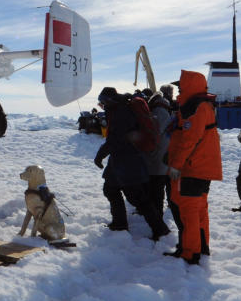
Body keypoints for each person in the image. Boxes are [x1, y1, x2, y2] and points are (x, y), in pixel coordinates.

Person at [94, 87, 169, 238]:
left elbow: (115, 140)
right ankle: (119, 224)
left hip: (128, 162)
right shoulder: (118, 108)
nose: (100, 105)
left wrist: (100, 155)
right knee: (110, 190)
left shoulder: (121, 112)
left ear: (108, 100)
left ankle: (160, 230)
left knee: (139, 199)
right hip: (120, 161)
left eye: (101, 102)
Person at [165, 70, 221, 263]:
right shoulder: (201, 106)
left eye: (181, 86)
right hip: (200, 168)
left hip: (191, 169)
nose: (179, 89)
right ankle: (201, 247)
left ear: (190, 86)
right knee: (198, 210)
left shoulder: (196, 108)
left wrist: (176, 165)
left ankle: (190, 252)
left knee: (188, 211)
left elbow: (190, 140)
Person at [145, 89, 174, 224]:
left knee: (157, 190)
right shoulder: (162, 110)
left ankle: (158, 220)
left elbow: (155, 133)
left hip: (159, 157)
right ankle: (158, 215)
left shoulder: (159, 112)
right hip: (162, 156)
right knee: (159, 187)